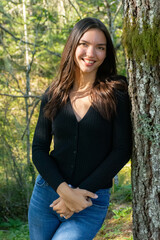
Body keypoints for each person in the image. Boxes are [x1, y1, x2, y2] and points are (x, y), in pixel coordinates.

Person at [28, 17, 132, 240]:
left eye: (100, 47)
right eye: (84, 44)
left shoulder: (116, 93)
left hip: (91, 200)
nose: (91, 53)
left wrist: (77, 198)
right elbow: (38, 149)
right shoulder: (53, 95)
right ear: (73, 45)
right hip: (47, 194)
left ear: (106, 53)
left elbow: (122, 150)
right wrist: (65, 192)